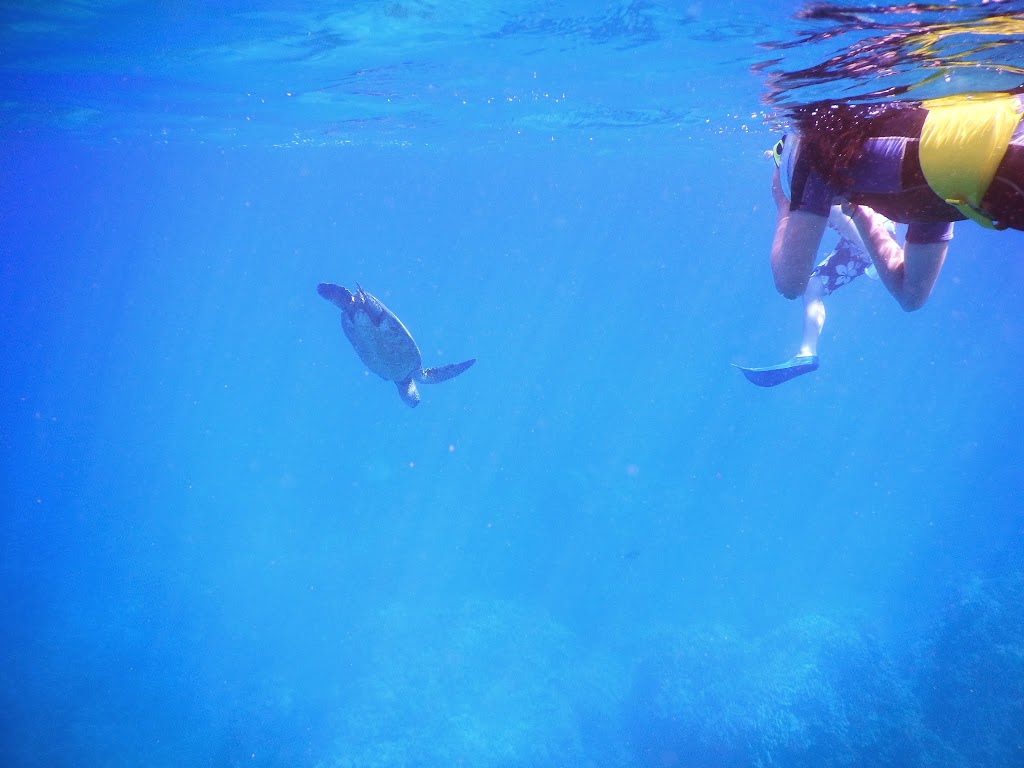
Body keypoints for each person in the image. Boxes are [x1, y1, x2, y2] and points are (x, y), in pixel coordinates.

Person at [770, 91, 1024, 313]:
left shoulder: (815, 157)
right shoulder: (927, 186)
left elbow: (791, 284)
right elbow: (911, 294)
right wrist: (862, 218)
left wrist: (783, 209)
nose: (827, 205)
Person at [735, 185, 894, 387]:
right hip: (862, 242)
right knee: (812, 287)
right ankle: (807, 352)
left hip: (879, 227)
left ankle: (877, 256)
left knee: (830, 204)